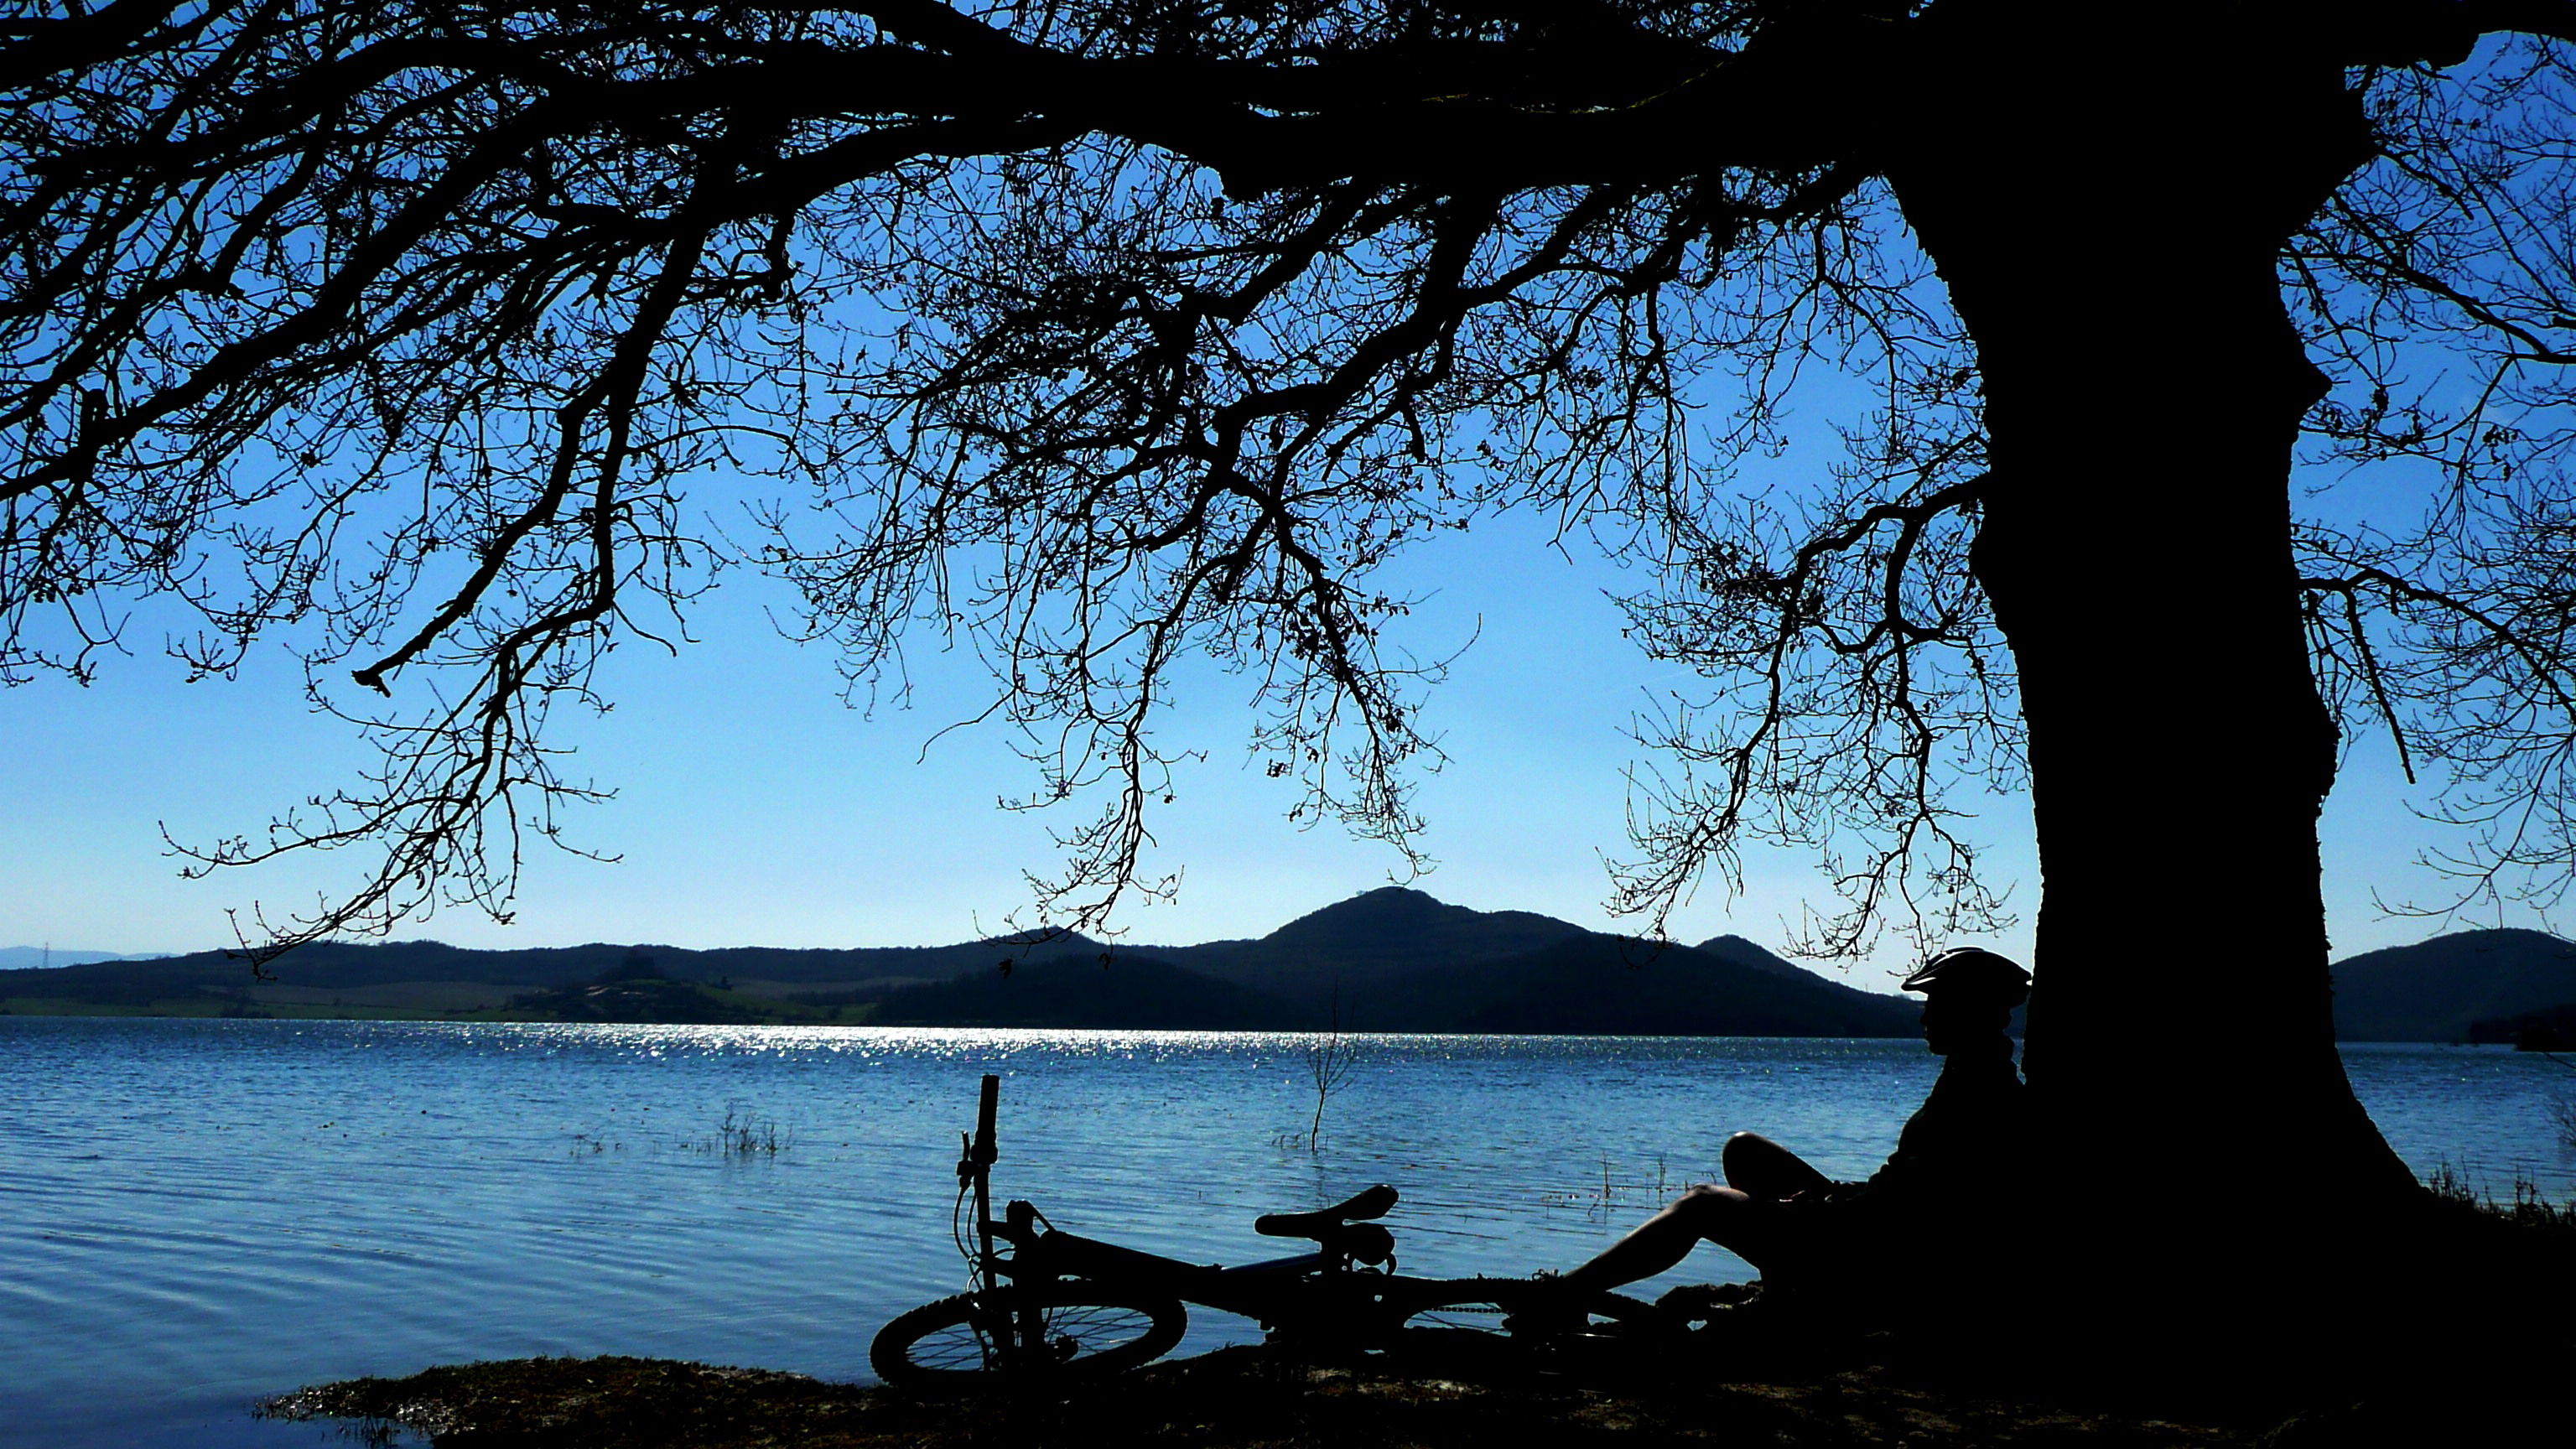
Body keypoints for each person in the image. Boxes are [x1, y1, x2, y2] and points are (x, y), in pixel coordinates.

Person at [1542, 947, 2033, 1317]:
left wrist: (1823, 1208)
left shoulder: (1977, 1095)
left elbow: (1916, 1206)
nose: (1925, 1016)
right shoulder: (1974, 1075)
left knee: (1703, 1204)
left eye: (1937, 1004)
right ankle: (1781, 1289)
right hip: (1877, 1233)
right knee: (1746, 1151)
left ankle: (1568, 1293)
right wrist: (1831, 1198)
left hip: (1879, 1259)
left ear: (1970, 1010)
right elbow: (1906, 1189)